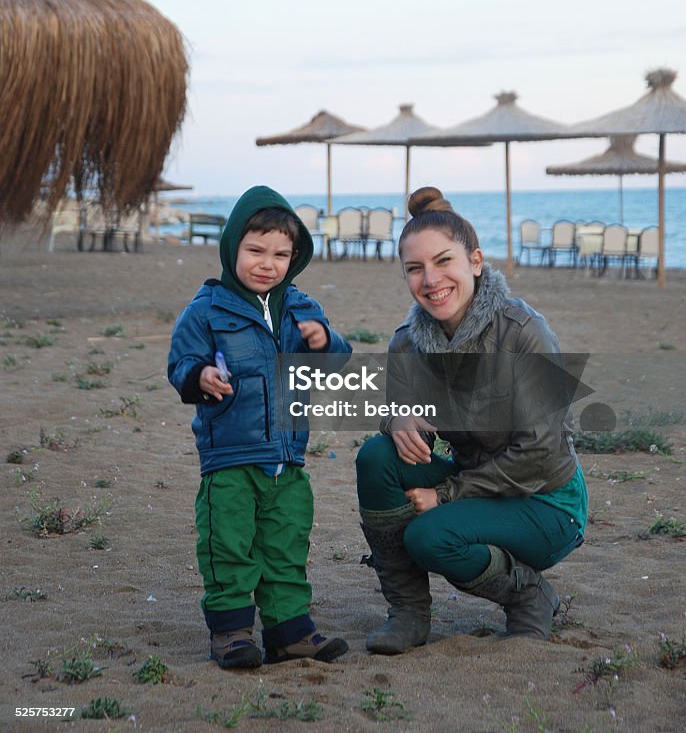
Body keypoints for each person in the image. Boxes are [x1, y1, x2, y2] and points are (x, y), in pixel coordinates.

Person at [356, 187, 587, 653]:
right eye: (415, 268)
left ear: (475, 262)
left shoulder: (525, 332)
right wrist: (396, 417)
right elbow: (396, 410)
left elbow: (541, 451)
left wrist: (444, 493)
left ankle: (528, 595)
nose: (431, 279)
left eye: (444, 261)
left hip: (546, 501)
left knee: (429, 535)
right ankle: (408, 612)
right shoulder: (408, 343)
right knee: (378, 457)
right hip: (470, 472)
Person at [168, 186, 351, 669]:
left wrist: (323, 340)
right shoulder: (206, 309)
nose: (267, 263)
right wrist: (201, 375)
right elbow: (180, 363)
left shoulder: (301, 307)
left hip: (287, 457)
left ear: (295, 258)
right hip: (229, 457)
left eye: (280, 254)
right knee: (227, 545)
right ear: (233, 248)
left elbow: (337, 365)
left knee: (286, 543)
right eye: (255, 250)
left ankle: (290, 632)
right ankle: (230, 634)